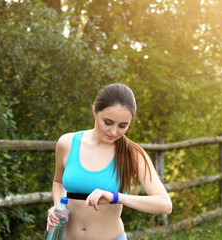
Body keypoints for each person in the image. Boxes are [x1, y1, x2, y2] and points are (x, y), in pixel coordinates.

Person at [46, 83, 172, 240]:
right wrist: (58, 207)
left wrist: (116, 197)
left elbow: (164, 204)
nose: (114, 132)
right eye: (108, 122)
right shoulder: (67, 143)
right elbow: (58, 182)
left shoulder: (133, 154)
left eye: (122, 126)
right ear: (94, 111)